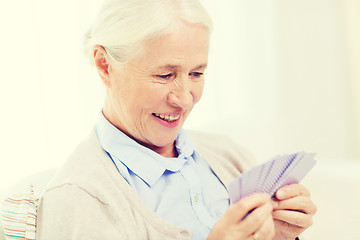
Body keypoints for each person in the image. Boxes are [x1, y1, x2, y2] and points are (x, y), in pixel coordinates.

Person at [36, 0, 317, 239]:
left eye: (196, 73)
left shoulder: (228, 154)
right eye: (164, 75)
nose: (185, 99)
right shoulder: (76, 199)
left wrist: (280, 235)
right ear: (104, 65)